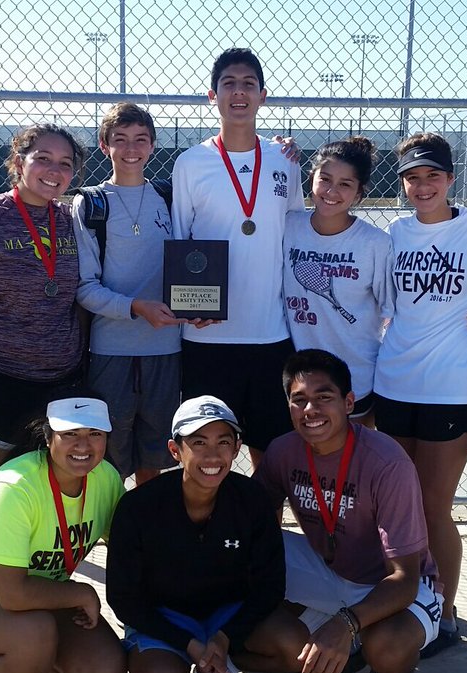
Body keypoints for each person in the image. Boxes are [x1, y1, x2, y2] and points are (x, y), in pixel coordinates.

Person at [370, 131, 467, 657]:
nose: (423, 186)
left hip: (452, 386)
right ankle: (402, 602)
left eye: (433, 176)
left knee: (434, 506)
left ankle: (444, 611)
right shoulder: (395, 232)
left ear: (450, 179)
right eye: (412, 177)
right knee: (399, 508)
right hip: (394, 382)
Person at [244, 349, 444, 673]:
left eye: (324, 397)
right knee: (238, 557)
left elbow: (405, 578)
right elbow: (251, 521)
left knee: (388, 648)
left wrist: (345, 623)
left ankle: (366, 644)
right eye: (299, 400)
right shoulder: (283, 450)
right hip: (327, 569)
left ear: (349, 403)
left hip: (389, 583)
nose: (311, 410)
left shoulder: (386, 463)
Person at [171, 47, 305, 468]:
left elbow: (298, 232)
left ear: (263, 95)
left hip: (270, 334)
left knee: (272, 452)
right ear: (212, 95)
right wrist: (185, 308)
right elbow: (179, 241)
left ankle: (263, 532)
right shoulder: (191, 163)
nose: (239, 92)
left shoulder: (285, 160)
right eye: (229, 83)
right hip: (207, 336)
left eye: (248, 84)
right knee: (209, 455)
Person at [0, 396, 127, 673]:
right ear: (48, 436)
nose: (83, 445)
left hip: (44, 601)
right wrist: (81, 592)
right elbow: (12, 595)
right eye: (70, 434)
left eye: (95, 434)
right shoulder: (14, 487)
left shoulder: (106, 478)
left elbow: (131, 548)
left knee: (105, 663)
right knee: (33, 635)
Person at [0, 124, 89, 474]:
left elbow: (81, 303)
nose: (55, 171)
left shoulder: (75, 221)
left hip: (61, 383)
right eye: (43, 159)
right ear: (18, 162)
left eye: (65, 163)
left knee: (53, 492)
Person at [106, 395, 285, 673]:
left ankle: (218, 663)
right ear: (175, 450)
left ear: (237, 448)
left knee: (294, 649)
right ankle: (199, 660)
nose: (212, 455)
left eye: (223, 442)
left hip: (229, 614)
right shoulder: (138, 507)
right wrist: (188, 644)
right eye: (198, 442)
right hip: (165, 617)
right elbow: (122, 598)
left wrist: (225, 636)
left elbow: (271, 584)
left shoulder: (252, 498)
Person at [74, 103, 183, 486]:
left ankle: (146, 534)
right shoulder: (89, 203)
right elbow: (86, 289)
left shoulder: (169, 198)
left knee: (155, 450)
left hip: (165, 348)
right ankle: (114, 532)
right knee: (110, 456)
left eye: (140, 139)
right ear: (105, 146)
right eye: (120, 140)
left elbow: (191, 266)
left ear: (153, 145)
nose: (131, 148)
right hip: (111, 350)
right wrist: (136, 307)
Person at [281, 136, 392, 427]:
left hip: (356, 377)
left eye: (345, 184)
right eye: (325, 179)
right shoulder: (288, 226)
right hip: (301, 382)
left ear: (359, 193)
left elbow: (391, 313)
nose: (331, 191)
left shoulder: (375, 243)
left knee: (353, 465)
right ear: (311, 179)